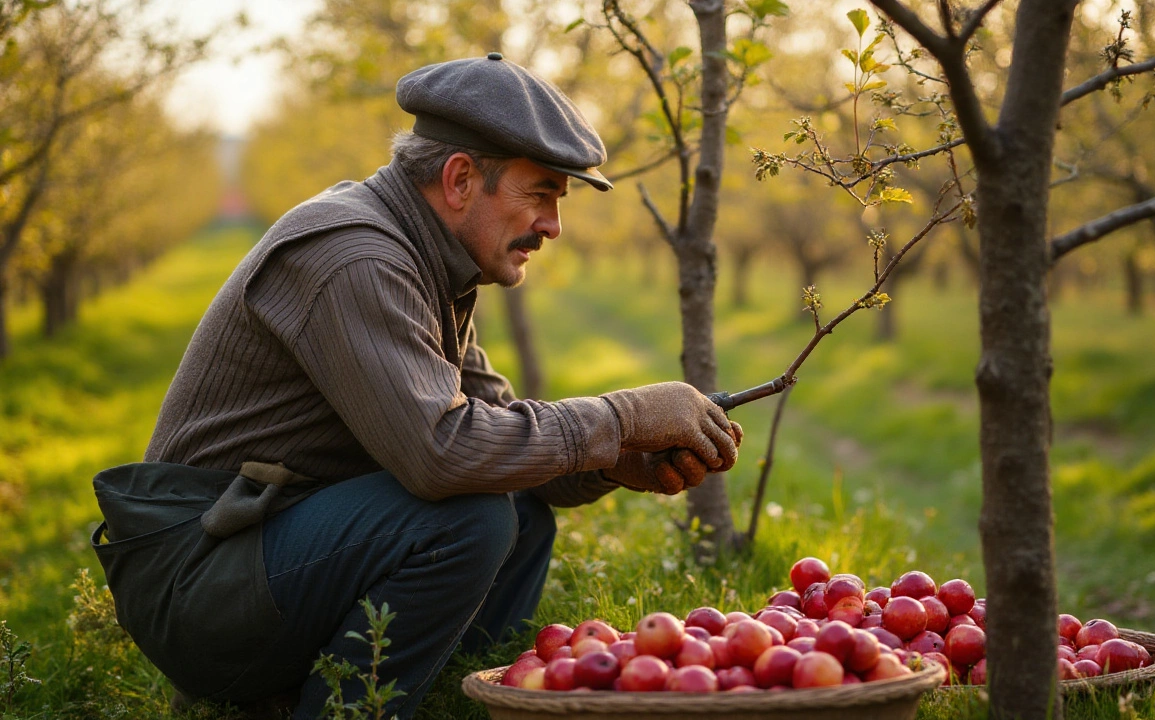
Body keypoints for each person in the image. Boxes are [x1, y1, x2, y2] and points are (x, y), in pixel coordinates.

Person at [90, 54, 742, 719]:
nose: (552, 226)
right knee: (470, 515)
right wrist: (620, 415)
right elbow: (443, 453)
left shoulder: (427, 261)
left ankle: (455, 696)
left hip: (264, 551)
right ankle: (342, 710)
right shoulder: (355, 257)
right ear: (460, 178)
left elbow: (501, 437)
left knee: (514, 510)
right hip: (202, 585)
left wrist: (618, 457)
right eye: (541, 193)